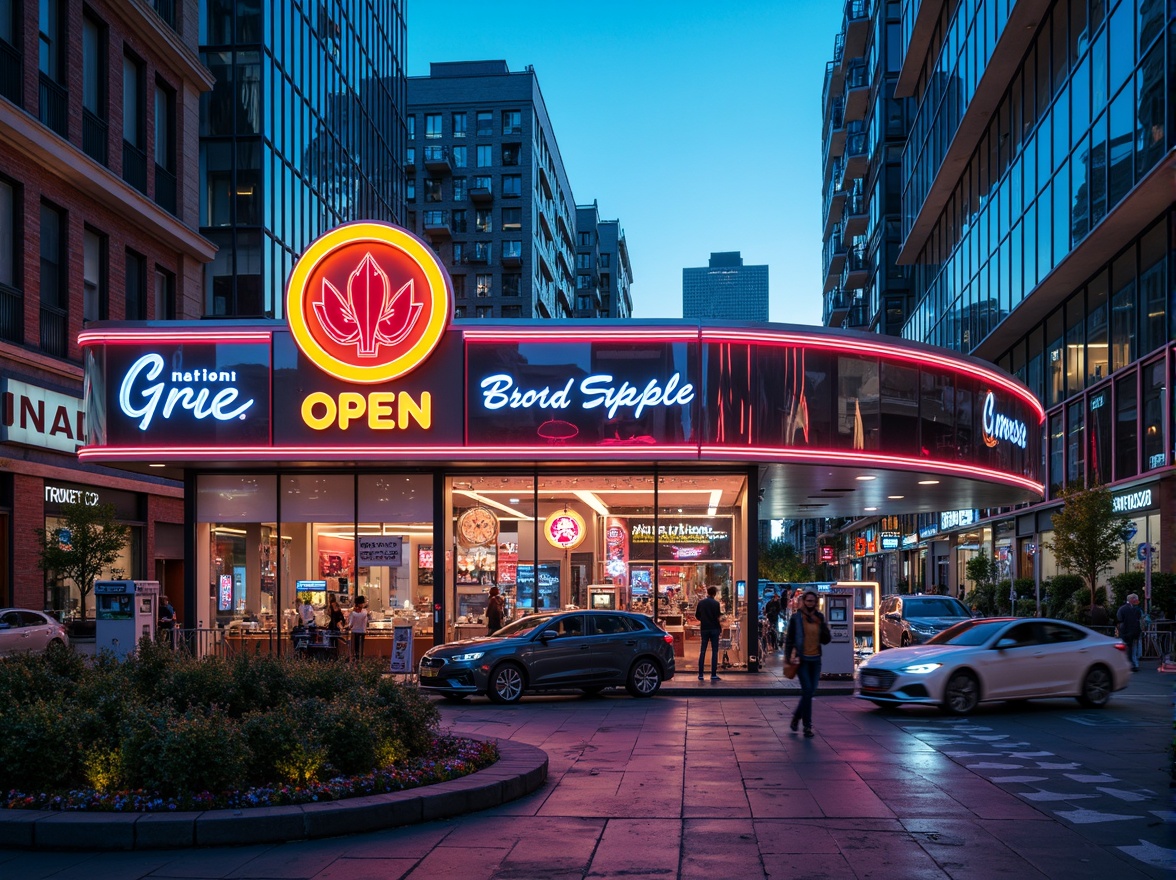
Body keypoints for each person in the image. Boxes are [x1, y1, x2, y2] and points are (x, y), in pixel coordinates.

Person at [784, 590, 831, 738]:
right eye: (808, 601)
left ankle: (796, 717)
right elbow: (790, 640)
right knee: (808, 690)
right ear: (803, 601)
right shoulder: (796, 618)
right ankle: (807, 727)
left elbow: (825, 640)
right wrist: (787, 657)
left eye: (813, 601)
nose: (811, 604)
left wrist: (823, 626)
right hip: (802, 660)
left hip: (816, 660)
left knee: (809, 692)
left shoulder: (819, 617)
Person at [695, 585, 723, 681]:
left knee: (703, 651)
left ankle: (701, 674)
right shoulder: (716, 604)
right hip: (714, 628)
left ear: (707, 592)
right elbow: (718, 616)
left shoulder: (701, 603)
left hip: (704, 628)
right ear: (714, 593)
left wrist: (703, 620)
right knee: (714, 651)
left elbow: (697, 615)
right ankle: (713, 674)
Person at [1116, 592, 1143, 672]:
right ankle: (1133, 664)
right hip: (1133, 632)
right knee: (1133, 649)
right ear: (1132, 600)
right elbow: (1139, 620)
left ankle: (1129, 664)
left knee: (1128, 649)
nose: (1137, 601)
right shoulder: (1137, 609)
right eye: (1136, 599)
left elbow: (1119, 619)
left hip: (1126, 632)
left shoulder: (1122, 609)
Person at [348, 595, 369, 660]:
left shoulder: (353, 613)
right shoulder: (365, 612)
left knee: (355, 647)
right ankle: (361, 658)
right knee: (361, 647)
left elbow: (350, 624)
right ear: (361, 604)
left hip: (354, 631)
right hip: (362, 631)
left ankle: (356, 659)